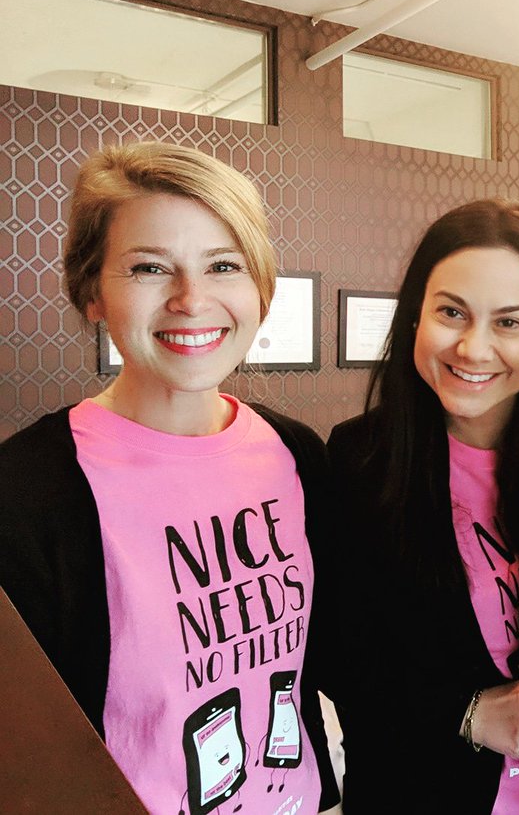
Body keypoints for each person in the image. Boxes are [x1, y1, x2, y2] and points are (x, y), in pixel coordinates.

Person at [0, 142, 339, 813]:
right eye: (150, 267)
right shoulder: (25, 492)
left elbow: (337, 655)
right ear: (92, 291)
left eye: (223, 266)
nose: (192, 299)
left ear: (260, 288)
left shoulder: (296, 452)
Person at [325, 198, 519, 812]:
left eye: (510, 322)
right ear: (416, 315)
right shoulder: (359, 458)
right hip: (427, 791)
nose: (473, 348)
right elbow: (341, 655)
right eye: (451, 312)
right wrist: (469, 711)